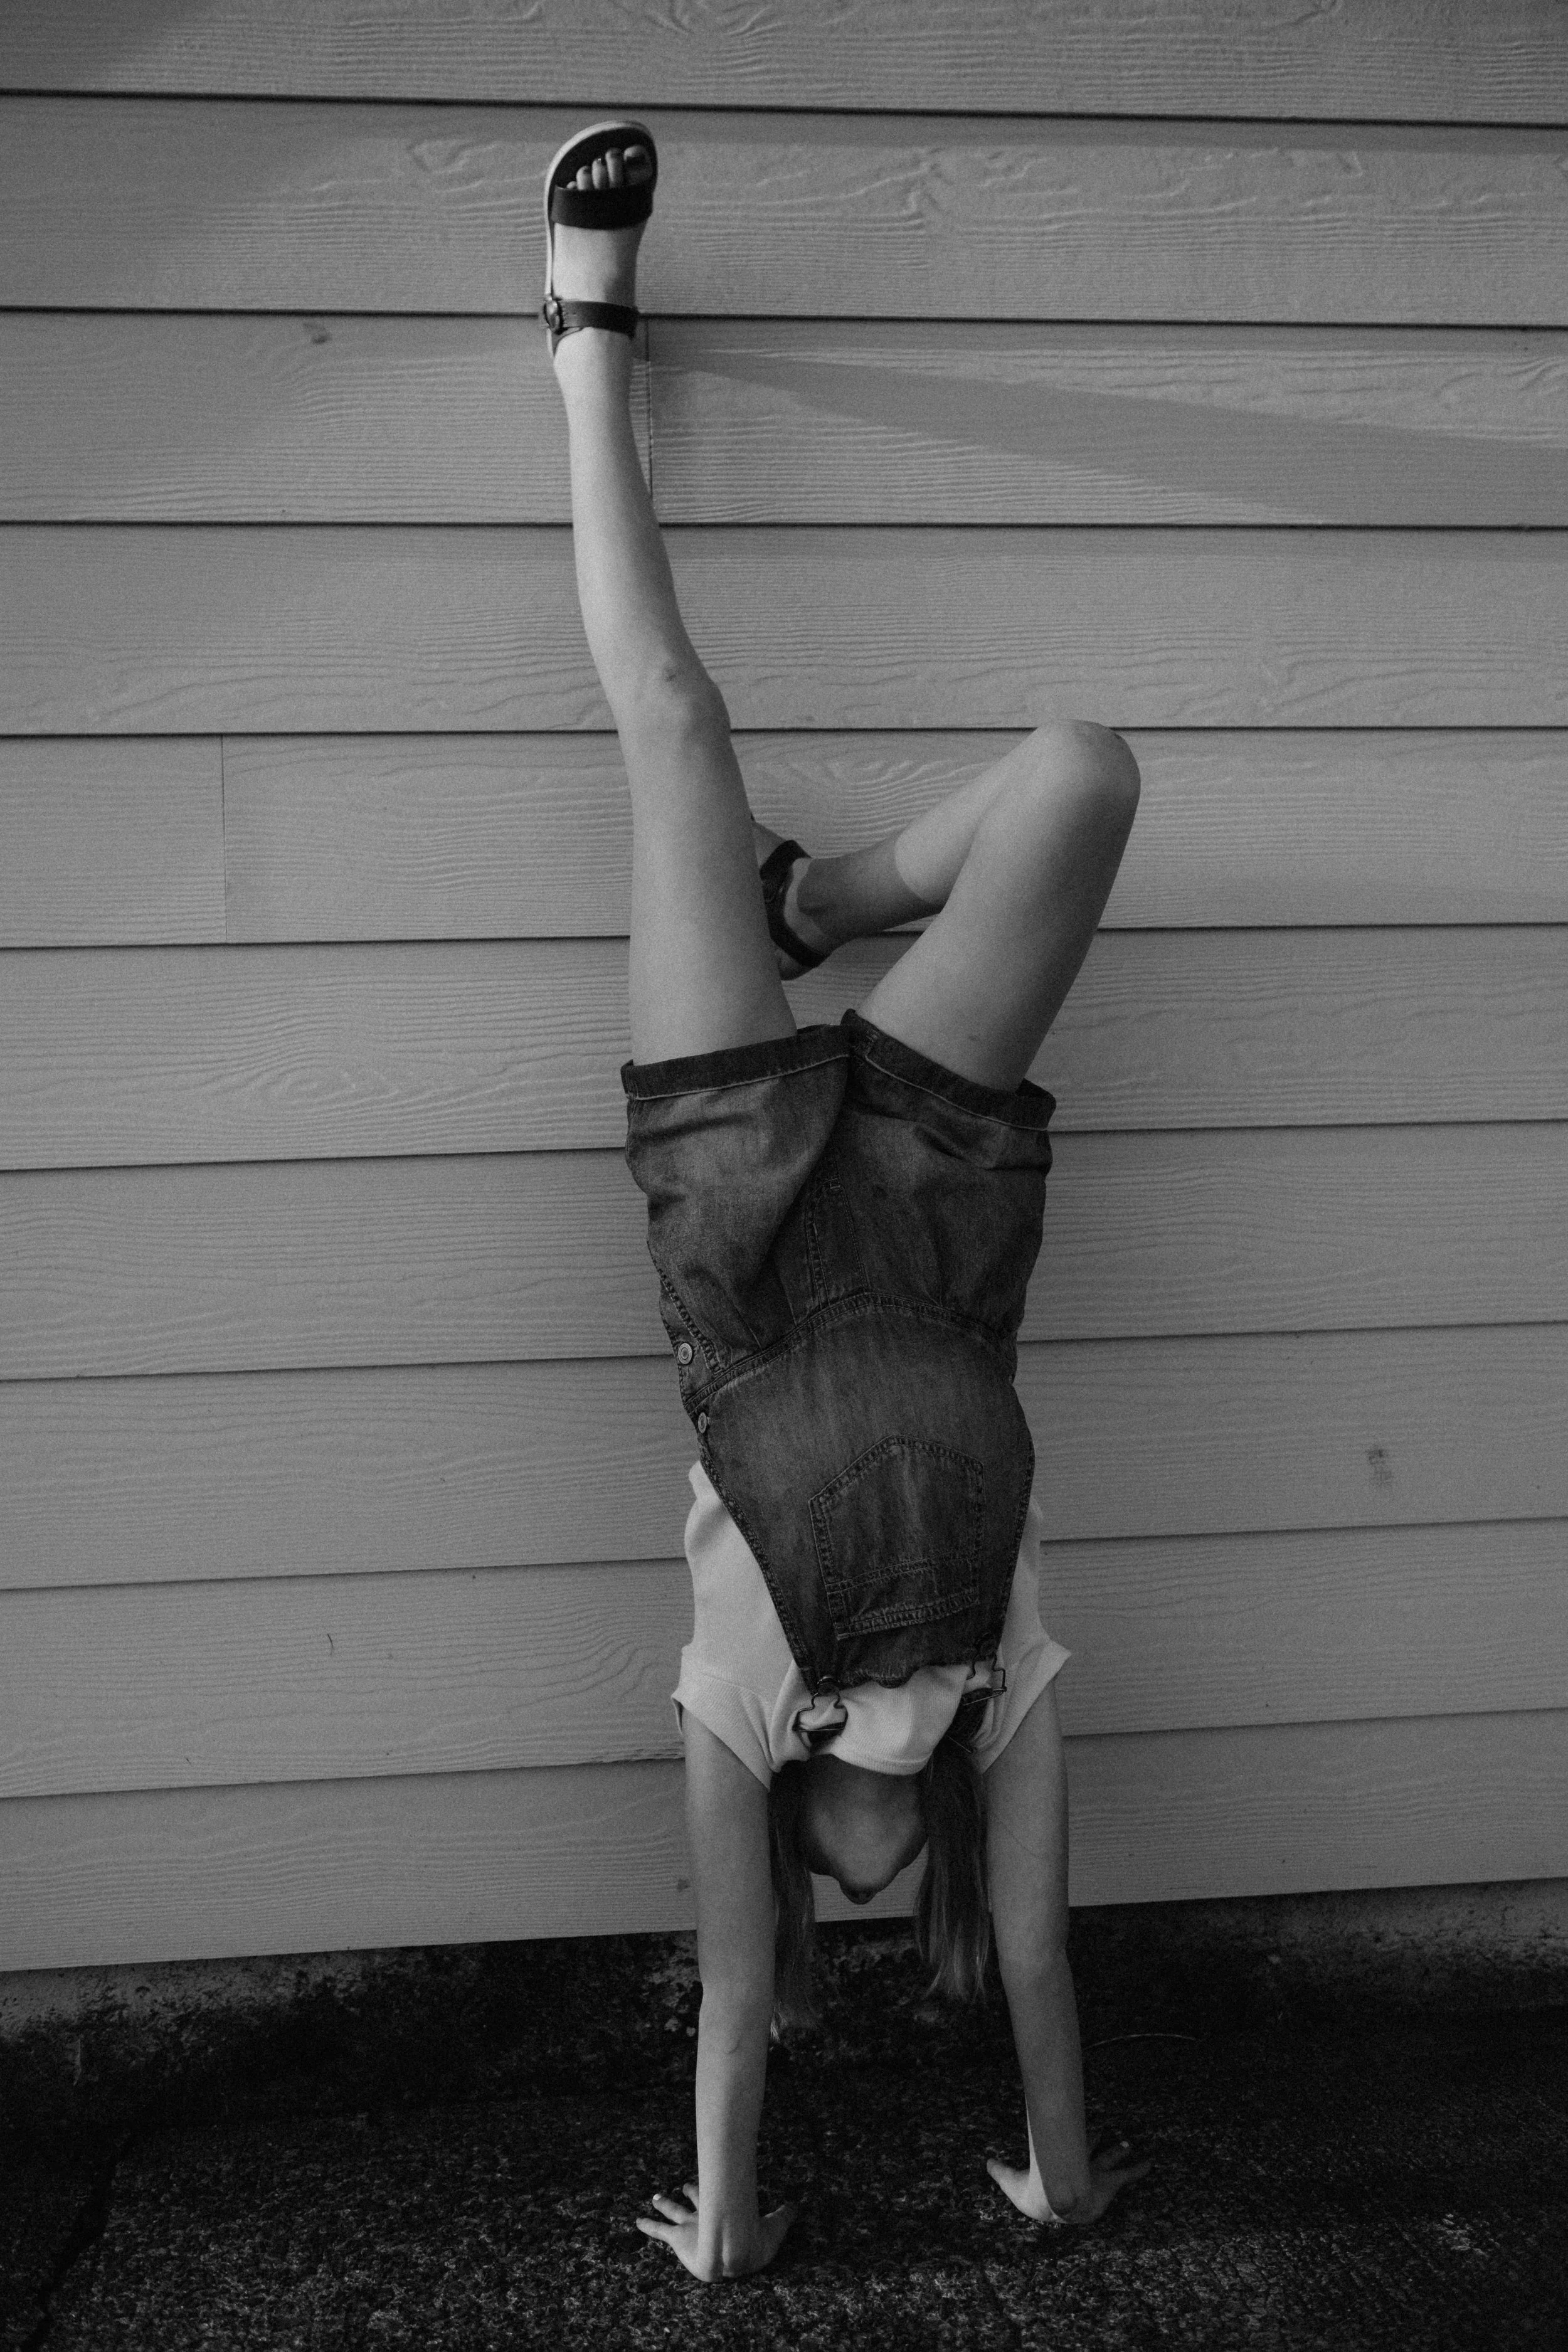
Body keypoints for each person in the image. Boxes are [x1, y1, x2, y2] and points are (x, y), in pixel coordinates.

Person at [541, 119, 1151, 2283]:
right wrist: (1059, 2181)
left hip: (737, 1230)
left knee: (676, 724)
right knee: (1081, 769)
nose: (890, 1878)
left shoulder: (734, 1723)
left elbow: (727, 2011)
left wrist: (724, 2231)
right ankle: (834, 898)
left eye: (856, 1890)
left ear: (810, 1864)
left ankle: (580, 339)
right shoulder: (1006, 1688)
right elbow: (1049, 1960)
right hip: (933, 1214)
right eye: (928, 1896)